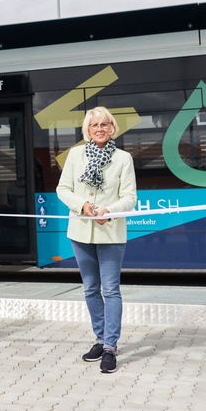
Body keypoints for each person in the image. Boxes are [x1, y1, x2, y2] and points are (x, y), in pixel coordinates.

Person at [56, 107, 137, 375]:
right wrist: (83, 206)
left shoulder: (124, 158)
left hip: (111, 232)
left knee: (111, 290)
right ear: (87, 130)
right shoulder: (76, 155)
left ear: (112, 128)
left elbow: (130, 197)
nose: (100, 128)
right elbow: (63, 189)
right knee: (91, 288)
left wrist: (108, 211)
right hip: (80, 231)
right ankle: (100, 340)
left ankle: (111, 348)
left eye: (104, 124)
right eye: (94, 125)